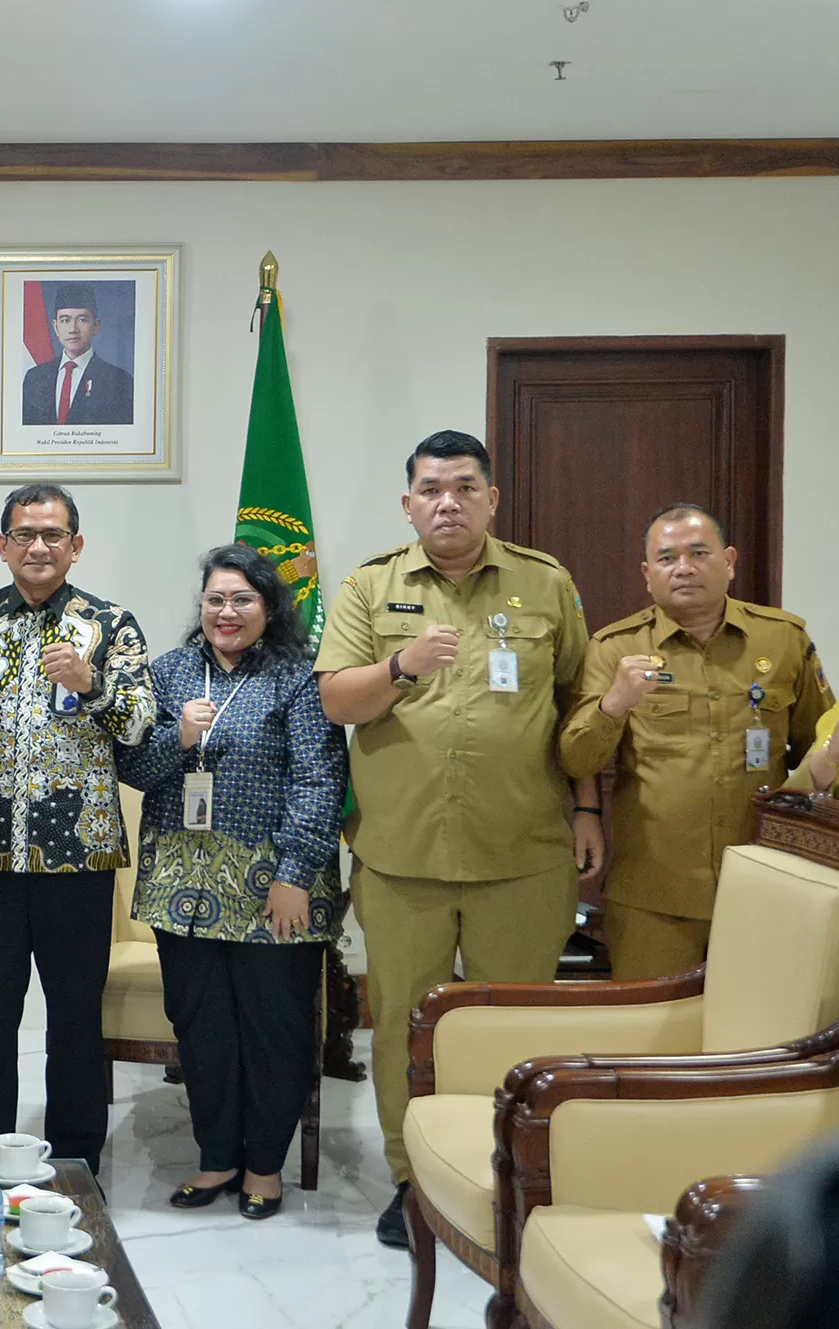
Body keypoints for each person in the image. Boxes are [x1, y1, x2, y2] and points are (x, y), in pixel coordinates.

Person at [314, 430, 603, 1249]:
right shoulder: (370, 586)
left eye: (465, 487)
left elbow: (580, 708)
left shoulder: (546, 583)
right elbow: (336, 700)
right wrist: (401, 665)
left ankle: (512, 1174)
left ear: (492, 500)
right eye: (432, 489)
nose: (449, 502)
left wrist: (588, 808)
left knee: (518, 1026)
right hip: (402, 854)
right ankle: (415, 1183)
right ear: (408, 504)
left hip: (524, 853)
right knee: (409, 1028)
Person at [117, 545, 347, 1219]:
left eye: (242, 599)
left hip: (273, 888)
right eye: (215, 598)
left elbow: (319, 779)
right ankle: (216, 1156)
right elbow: (133, 768)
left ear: (269, 607)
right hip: (180, 890)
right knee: (201, 1028)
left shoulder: (298, 676)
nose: (227, 611)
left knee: (274, 1028)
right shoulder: (168, 673)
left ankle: (264, 1166)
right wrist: (178, 739)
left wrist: (295, 873)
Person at [0, 482, 153, 1175]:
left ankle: (76, 1162)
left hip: (79, 858)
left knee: (75, 1018)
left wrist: (93, 685)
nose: (38, 546)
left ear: (75, 546)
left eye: (53, 535)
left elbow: (140, 726)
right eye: (25, 534)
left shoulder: (110, 625)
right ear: (2, 545)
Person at [561, 503, 834, 979]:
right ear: (647, 574)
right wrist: (614, 703)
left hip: (767, 881)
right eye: (667, 558)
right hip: (655, 893)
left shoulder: (784, 639)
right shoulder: (615, 647)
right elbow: (576, 757)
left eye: (698, 553)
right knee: (650, 1022)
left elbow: (824, 744)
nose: (683, 568)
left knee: (760, 1019)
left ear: (729, 561)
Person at [20, 284, 134, 427]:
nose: (73, 329)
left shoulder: (119, 381)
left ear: (96, 326)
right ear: (55, 327)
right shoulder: (34, 377)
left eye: (82, 320)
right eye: (65, 320)